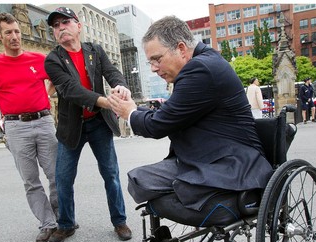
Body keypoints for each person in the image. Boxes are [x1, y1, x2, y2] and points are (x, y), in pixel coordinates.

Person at [108, 16, 273, 212]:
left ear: (181, 48)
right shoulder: (202, 63)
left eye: (157, 59)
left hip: (232, 164)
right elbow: (170, 113)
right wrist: (134, 108)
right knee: (139, 179)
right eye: (150, 62)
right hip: (208, 155)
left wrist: (130, 113)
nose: (153, 68)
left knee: (146, 182)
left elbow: (158, 125)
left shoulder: (200, 69)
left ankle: (195, 193)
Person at [44, 7, 132, 242]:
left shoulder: (95, 50)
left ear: (78, 25)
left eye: (65, 22)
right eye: (56, 26)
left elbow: (112, 72)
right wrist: (106, 101)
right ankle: (66, 225)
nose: (60, 28)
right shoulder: (53, 60)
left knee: (111, 174)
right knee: (63, 178)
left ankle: (119, 221)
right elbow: (70, 90)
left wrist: (121, 87)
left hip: (98, 123)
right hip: (71, 127)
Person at [0, 12, 59, 242]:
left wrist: (46, 95)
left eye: (17, 31)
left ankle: (62, 217)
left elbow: (57, 79)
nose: (14, 36)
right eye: (8, 32)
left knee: (56, 174)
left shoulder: (38, 59)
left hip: (44, 121)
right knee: (31, 180)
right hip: (16, 126)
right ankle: (47, 223)